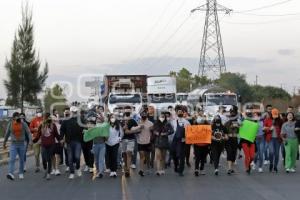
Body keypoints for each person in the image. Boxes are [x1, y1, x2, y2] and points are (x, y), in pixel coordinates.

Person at [4, 112, 32, 180]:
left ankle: (21, 173)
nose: (17, 118)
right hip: (13, 144)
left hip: (22, 144)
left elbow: (28, 132)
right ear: (13, 118)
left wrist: (30, 141)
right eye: (15, 117)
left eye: (18, 116)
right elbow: (7, 133)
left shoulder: (23, 123)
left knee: (21, 159)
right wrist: (4, 142)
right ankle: (10, 173)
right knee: (12, 159)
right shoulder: (10, 124)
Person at [33, 113, 62, 180]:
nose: (47, 119)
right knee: (44, 159)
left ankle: (48, 173)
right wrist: (33, 141)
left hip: (51, 145)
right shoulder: (41, 125)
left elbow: (57, 135)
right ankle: (46, 169)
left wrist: (60, 141)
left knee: (49, 159)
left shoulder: (53, 125)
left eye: (48, 118)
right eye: (46, 118)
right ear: (44, 118)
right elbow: (38, 135)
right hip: (43, 145)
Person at [60, 106, 84, 179]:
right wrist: (61, 138)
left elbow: (85, 127)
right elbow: (62, 130)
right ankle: (72, 172)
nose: (74, 113)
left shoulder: (80, 119)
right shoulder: (65, 120)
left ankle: (78, 168)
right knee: (70, 158)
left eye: (75, 112)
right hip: (69, 142)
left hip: (78, 141)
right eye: (73, 112)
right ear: (70, 112)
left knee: (77, 157)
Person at [122, 107, 142, 177]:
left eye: (128, 110)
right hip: (123, 140)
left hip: (131, 140)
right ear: (124, 111)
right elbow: (119, 130)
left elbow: (139, 130)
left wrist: (131, 131)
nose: (127, 111)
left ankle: (127, 170)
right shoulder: (121, 120)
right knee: (124, 155)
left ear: (130, 111)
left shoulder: (133, 120)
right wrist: (123, 128)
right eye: (126, 109)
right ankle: (126, 168)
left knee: (129, 153)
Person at [171, 106, 190, 176]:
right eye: (179, 112)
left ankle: (181, 171)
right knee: (174, 154)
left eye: (181, 112)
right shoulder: (173, 122)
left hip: (183, 141)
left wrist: (186, 137)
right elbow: (171, 131)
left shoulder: (187, 122)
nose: (180, 113)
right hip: (174, 140)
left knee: (182, 156)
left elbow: (190, 132)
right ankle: (176, 165)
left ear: (183, 113)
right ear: (176, 113)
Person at [136, 110, 153, 176]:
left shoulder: (150, 123)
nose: (144, 115)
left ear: (147, 115)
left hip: (147, 142)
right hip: (140, 142)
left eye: (145, 114)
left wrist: (152, 131)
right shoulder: (138, 123)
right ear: (140, 115)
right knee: (142, 156)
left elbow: (152, 132)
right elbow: (135, 131)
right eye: (142, 114)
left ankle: (148, 168)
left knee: (147, 156)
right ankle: (141, 170)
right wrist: (139, 129)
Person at [224, 105, 240, 175]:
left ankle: (232, 168)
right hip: (228, 139)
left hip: (235, 138)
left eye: (233, 112)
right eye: (231, 112)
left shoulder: (238, 121)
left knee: (234, 153)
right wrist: (225, 135)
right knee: (229, 153)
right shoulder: (227, 121)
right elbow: (223, 129)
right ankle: (229, 168)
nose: (232, 114)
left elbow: (241, 130)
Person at [269, 109, 283, 173]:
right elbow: (264, 128)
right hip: (270, 138)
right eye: (274, 115)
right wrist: (269, 128)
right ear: (271, 114)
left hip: (278, 139)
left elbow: (283, 129)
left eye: (276, 115)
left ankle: (275, 166)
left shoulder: (280, 121)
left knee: (277, 154)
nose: (275, 116)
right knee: (271, 152)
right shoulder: (268, 120)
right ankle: (271, 163)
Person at [29, 108, 44, 172]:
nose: (39, 113)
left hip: (43, 138)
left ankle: (45, 165)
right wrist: (35, 129)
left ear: (42, 112)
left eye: (40, 112)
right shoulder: (33, 120)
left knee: (44, 153)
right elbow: (30, 129)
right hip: (36, 138)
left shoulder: (44, 120)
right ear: (36, 113)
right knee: (36, 154)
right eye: (38, 112)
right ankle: (37, 166)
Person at [51, 111, 62, 176]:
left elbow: (62, 134)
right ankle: (54, 168)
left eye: (54, 120)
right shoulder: (48, 126)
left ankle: (57, 169)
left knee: (58, 155)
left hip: (58, 142)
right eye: (52, 120)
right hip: (51, 143)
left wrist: (62, 140)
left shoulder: (59, 126)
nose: (53, 121)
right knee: (52, 156)